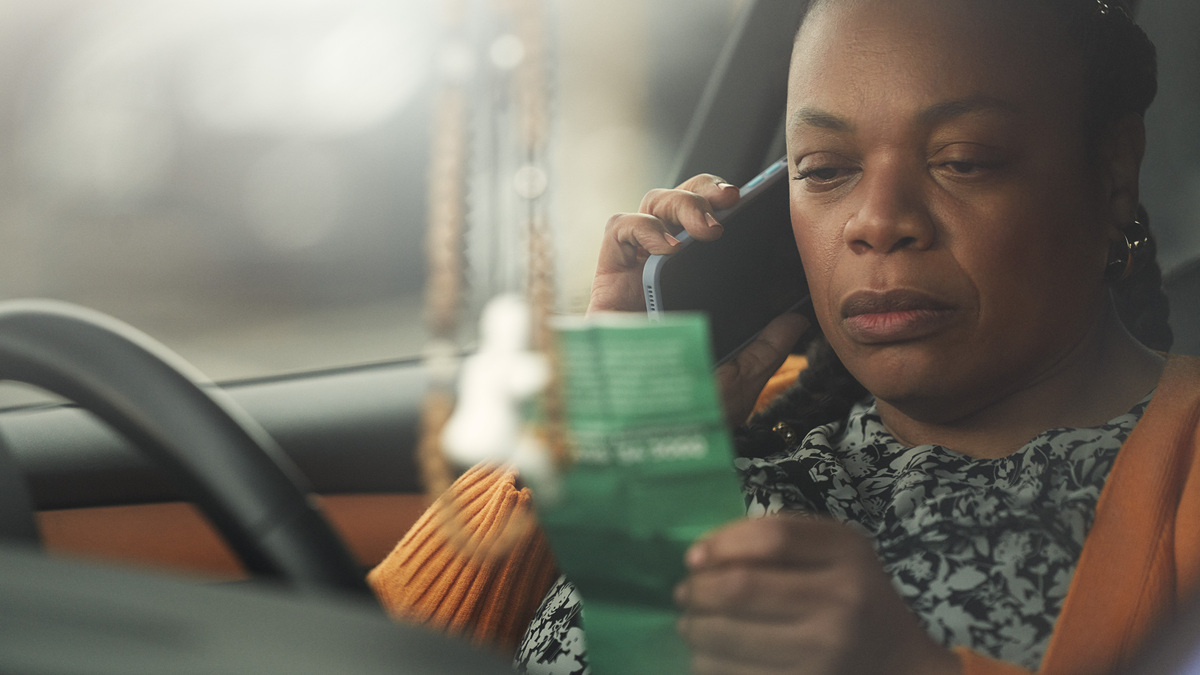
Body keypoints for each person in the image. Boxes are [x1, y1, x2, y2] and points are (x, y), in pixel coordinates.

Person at [368, 0, 1200, 672]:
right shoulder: (719, 430)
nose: (877, 223)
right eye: (826, 170)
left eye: (964, 159)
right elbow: (369, 652)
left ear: (1113, 172)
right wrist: (603, 412)